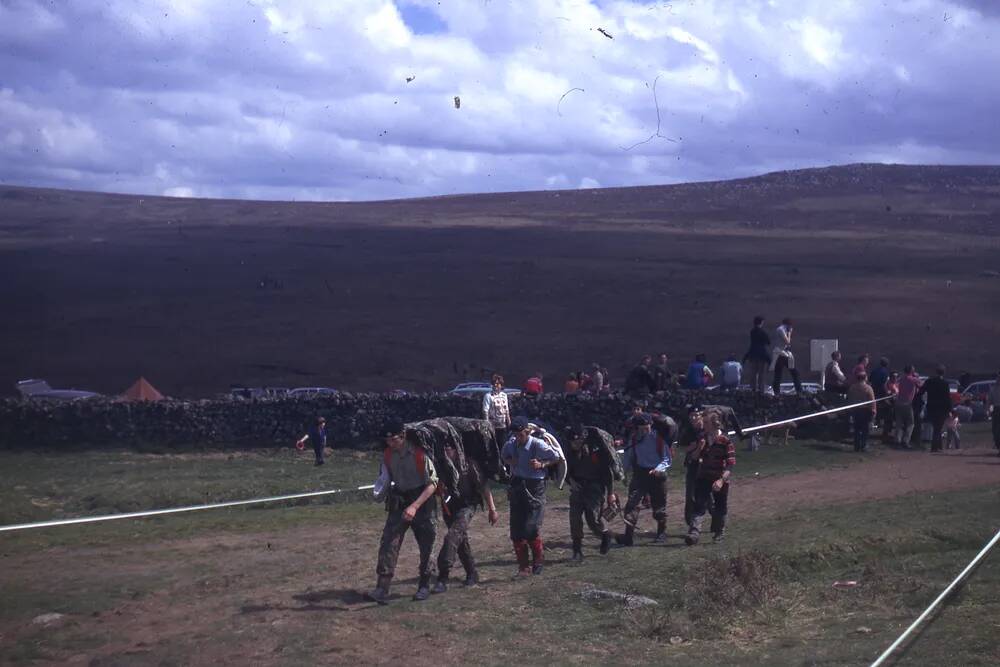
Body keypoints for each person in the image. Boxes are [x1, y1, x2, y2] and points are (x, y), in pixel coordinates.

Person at [367, 420, 439, 604]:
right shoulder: (388, 455)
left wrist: (415, 506)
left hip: (423, 501)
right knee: (388, 541)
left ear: (403, 435)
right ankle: (382, 587)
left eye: (394, 439)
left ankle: (424, 584)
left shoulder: (419, 454)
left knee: (427, 544)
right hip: (400, 500)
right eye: (387, 440)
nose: (390, 443)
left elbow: (432, 484)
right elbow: (384, 478)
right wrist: (378, 494)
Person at [431, 441, 499, 594]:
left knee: (452, 537)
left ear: (456, 449)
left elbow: (483, 486)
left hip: (467, 505)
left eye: (448, 448)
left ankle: (443, 577)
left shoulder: (469, 464)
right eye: (444, 448)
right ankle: (471, 572)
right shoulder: (440, 465)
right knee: (460, 540)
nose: (446, 451)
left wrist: (492, 509)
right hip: (449, 507)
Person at [501, 416, 560, 576]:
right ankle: (523, 567)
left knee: (531, 527)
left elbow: (556, 457)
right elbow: (503, 456)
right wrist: (509, 461)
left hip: (535, 486)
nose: (517, 437)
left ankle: (538, 560)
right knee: (516, 529)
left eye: (520, 434)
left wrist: (541, 464)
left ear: (527, 431)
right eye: (515, 434)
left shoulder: (537, 444)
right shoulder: (511, 444)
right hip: (517, 484)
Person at [563, 423, 621, 561]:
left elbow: (607, 473)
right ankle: (577, 550)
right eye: (573, 442)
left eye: (578, 442)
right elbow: (562, 469)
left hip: (595, 488)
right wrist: (570, 481)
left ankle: (605, 535)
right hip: (577, 488)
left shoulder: (595, 451)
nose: (575, 445)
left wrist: (611, 493)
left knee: (593, 520)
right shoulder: (567, 451)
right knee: (574, 519)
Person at [616, 413, 672, 546]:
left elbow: (667, 459)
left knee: (659, 506)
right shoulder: (634, 439)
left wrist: (658, 469)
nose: (644, 431)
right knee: (631, 506)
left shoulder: (658, 438)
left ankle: (661, 533)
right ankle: (628, 537)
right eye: (641, 429)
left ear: (651, 425)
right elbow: (628, 457)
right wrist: (623, 473)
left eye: (646, 428)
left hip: (657, 475)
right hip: (640, 475)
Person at [685, 410, 735, 545]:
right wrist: (698, 448)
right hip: (703, 477)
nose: (704, 425)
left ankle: (719, 533)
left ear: (714, 424)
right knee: (699, 505)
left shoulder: (725, 441)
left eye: (706, 422)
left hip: (720, 478)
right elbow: (694, 458)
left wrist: (721, 481)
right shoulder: (703, 438)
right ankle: (694, 533)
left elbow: (730, 466)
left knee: (720, 506)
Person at [917, 366, 952, 453]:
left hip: (931, 407)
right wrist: (950, 409)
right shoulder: (945, 383)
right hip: (941, 408)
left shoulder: (929, 381)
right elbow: (947, 397)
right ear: (943, 373)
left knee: (937, 427)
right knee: (938, 428)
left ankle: (939, 446)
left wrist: (919, 399)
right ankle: (934, 447)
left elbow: (921, 391)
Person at [770, 317, 802, 395]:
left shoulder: (780, 329)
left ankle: (776, 392)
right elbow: (787, 342)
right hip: (782, 354)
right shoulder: (781, 330)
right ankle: (799, 391)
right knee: (794, 373)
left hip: (782, 353)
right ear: (788, 325)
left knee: (778, 374)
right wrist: (790, 333)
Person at [846, 371, 876, 452]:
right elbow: (872, 400)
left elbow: (849, 399)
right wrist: (873, 410)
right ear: (865, 378)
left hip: (855, 410)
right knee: (865, 429)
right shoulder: (868, 388)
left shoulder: (852, 387)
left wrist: (850, 410)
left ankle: (856, 446)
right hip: (865, 411)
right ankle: (864, 445)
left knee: (857, 429)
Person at [893, 366, 922, 448]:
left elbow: (895, 386)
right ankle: (905, 441)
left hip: (898, 403)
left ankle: (897, 440)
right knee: (911, 423)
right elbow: (921, 385)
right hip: (907, 404)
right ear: (911, 371)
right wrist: (916, 377)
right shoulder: (913, 379)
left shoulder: (900, 379)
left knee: (899, 422)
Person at [744, 316, 771, 394]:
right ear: (761, 322)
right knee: (761, 374)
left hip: (752, 355)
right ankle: (761, 390)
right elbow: (768, 342)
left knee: (753, 373)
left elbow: (752, 344)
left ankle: (753, 389)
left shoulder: (752, 332)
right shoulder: (762, 332)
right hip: (761, 355)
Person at [482, 374, 512, 447]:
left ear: (501, 385)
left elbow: (506, 411)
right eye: (494, 383)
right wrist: (487, 425)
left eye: (497, 383)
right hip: (493, 427)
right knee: (494, 447)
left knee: (503, 445)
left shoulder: (504, 395)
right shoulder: (488, 396)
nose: (495, 385)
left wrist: (510, 424)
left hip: (503, 426)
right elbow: (485, 411)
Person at [989, 373, 1000, 456]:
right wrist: (990, 411)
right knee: (995, 430)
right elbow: (990, 403)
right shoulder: (993, 389)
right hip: (996, 409)